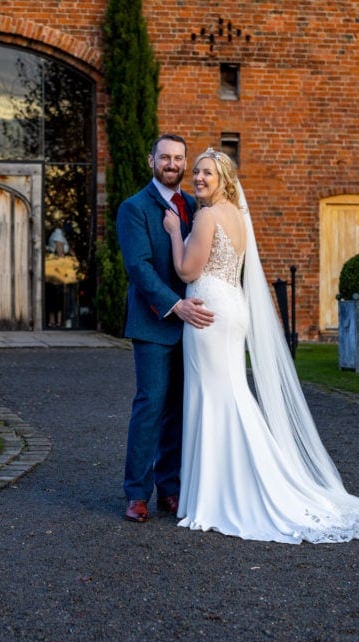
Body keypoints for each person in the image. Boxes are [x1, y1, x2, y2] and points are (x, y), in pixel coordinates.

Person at [162, 148, 359, 543]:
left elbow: (187, 269)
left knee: (214, 397)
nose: (199, 178)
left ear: (224, 178)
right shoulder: (238, 216)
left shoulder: (206, 216)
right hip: (230, 307)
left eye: (207, 173)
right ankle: (228, 483)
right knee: (230, 394)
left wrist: (175, 233)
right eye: (198, 172)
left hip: (207, 312)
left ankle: (219, 493)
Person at [116, 134, 214, 523]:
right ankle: (136, 494)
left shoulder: (194, 206)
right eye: (164, 157)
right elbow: (138, 266)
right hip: (155, 322)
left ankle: (170, 489)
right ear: (150, 160)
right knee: (150, 406)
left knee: (179, 410)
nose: (172, 164)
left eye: (178, 158)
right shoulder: (134, 208)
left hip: (193, 326)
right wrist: (176, 306)